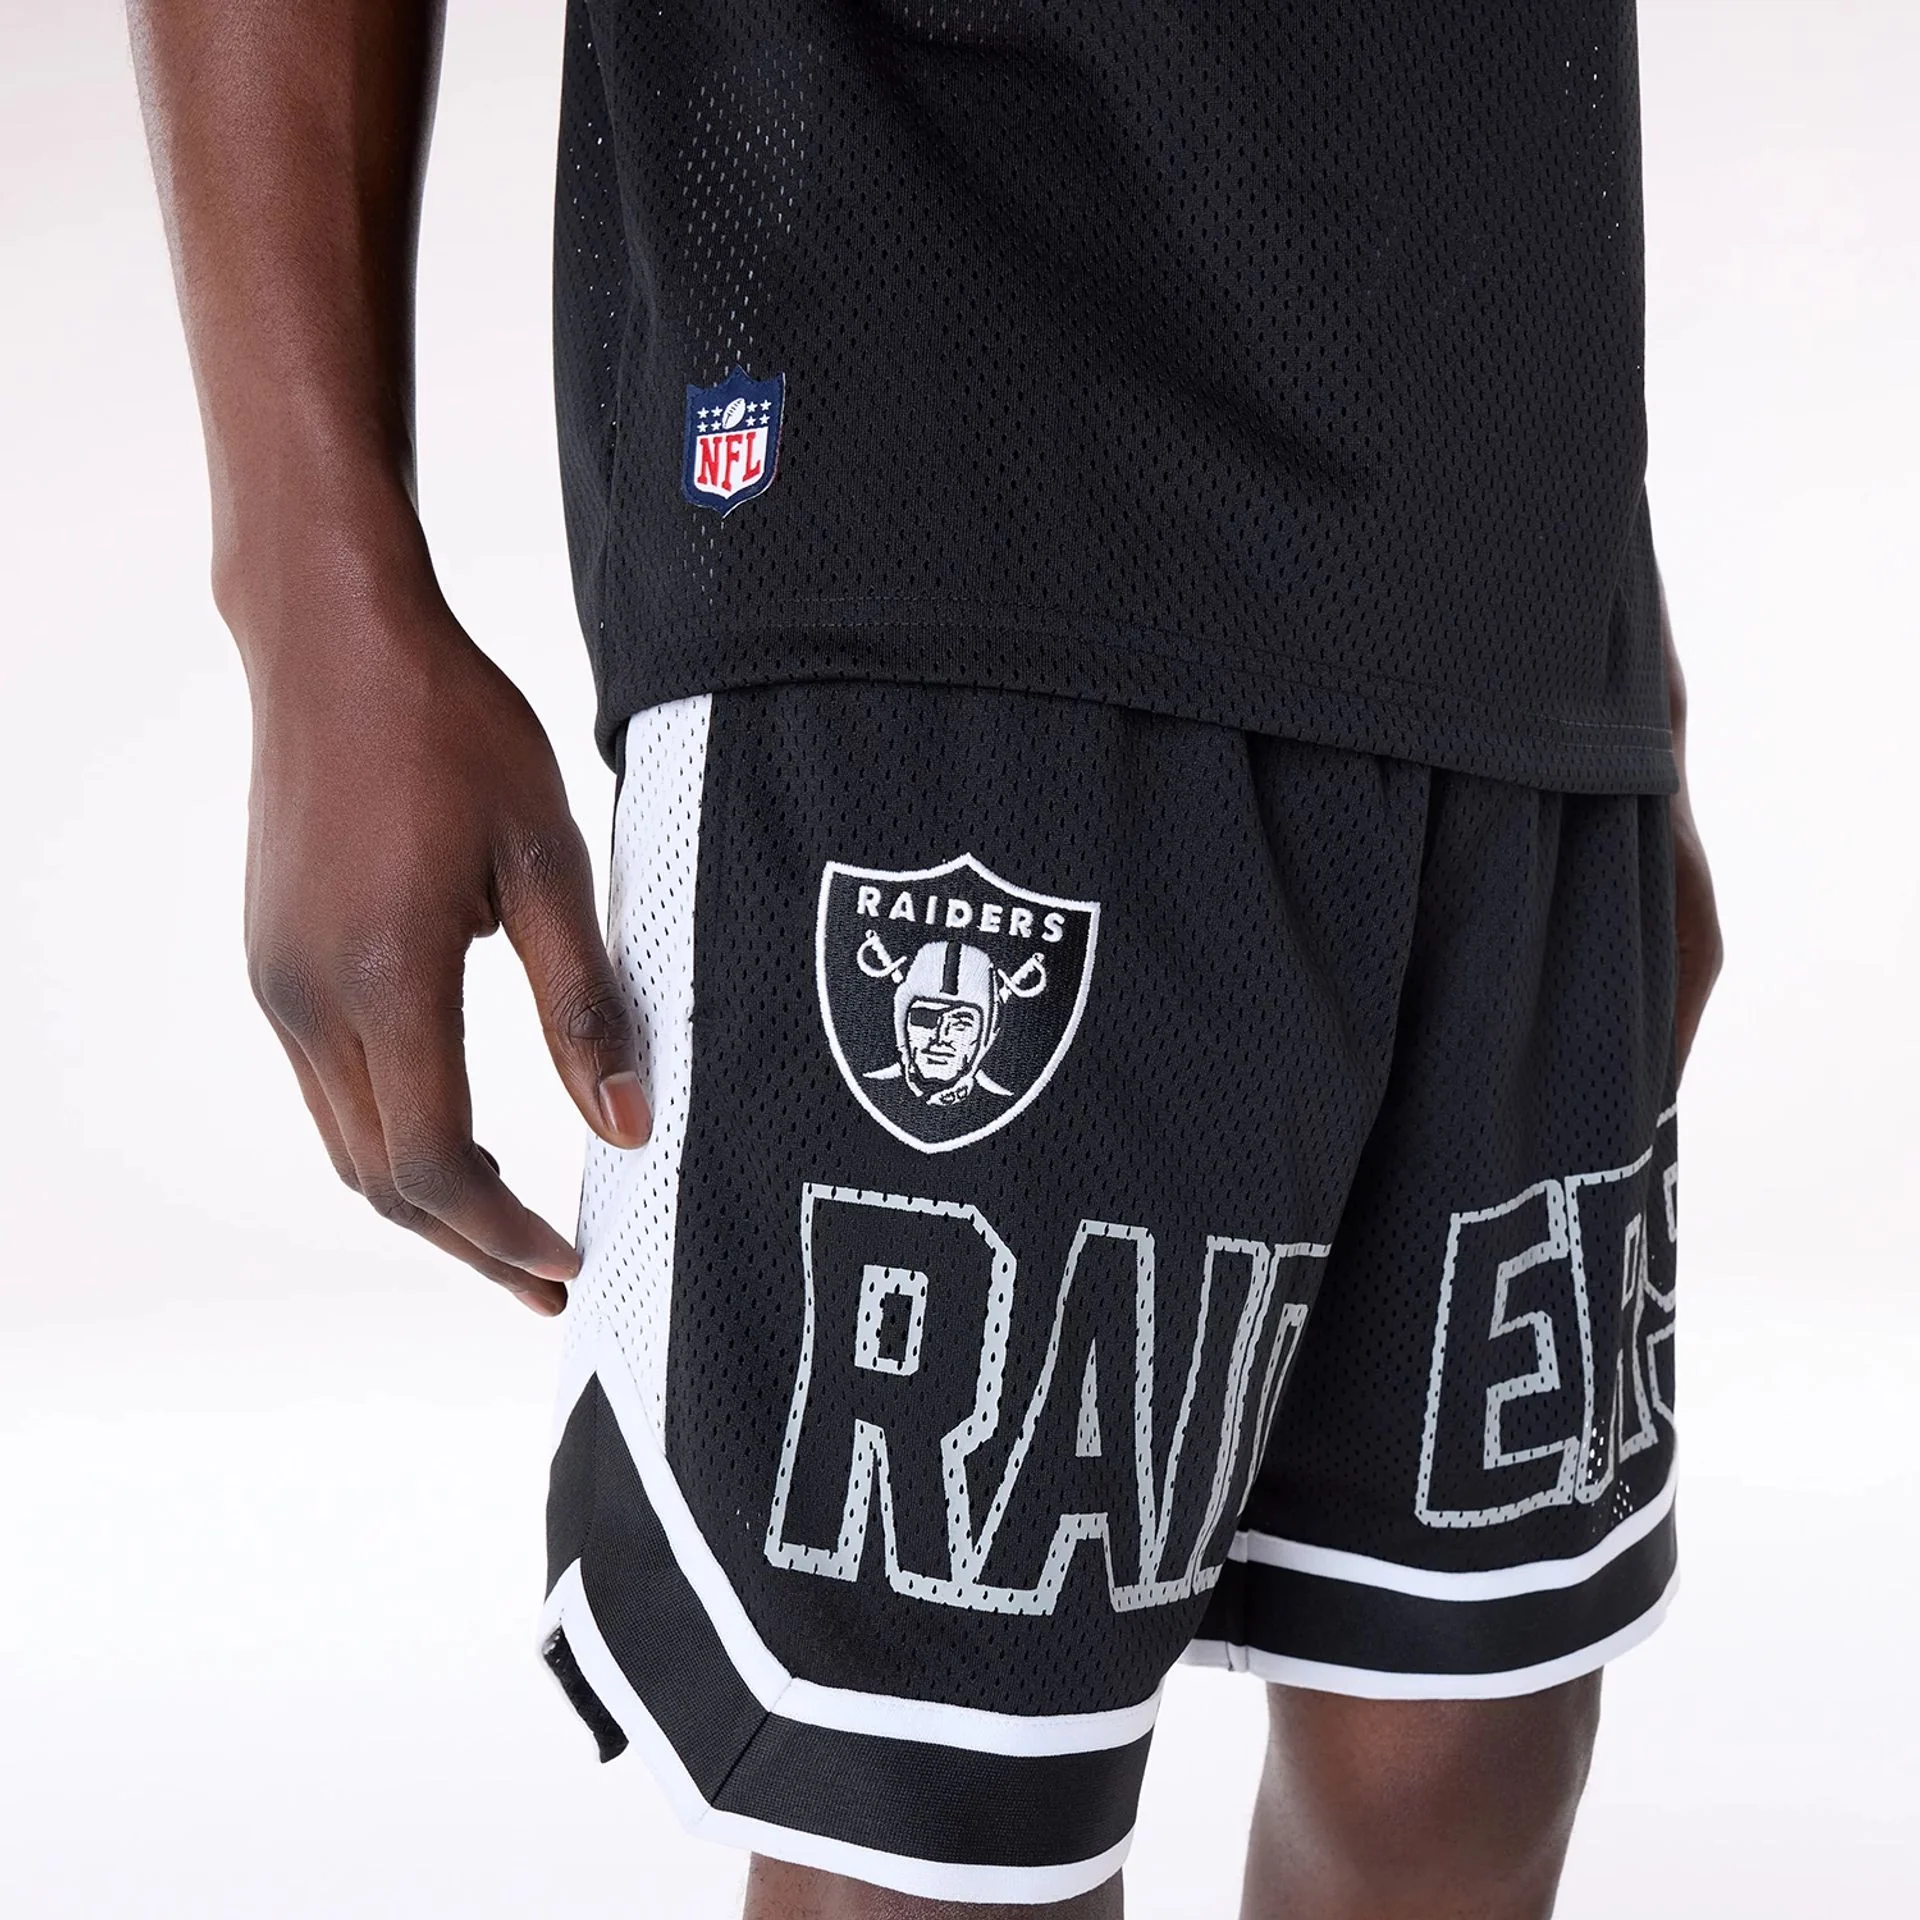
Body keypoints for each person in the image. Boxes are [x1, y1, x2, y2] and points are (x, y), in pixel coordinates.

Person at [129, 2, 1722, 1913]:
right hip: (924, 425)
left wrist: (1616, 650)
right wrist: (312, 580)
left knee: (1463, 1735)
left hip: (1504, 511)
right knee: (936, 1810)